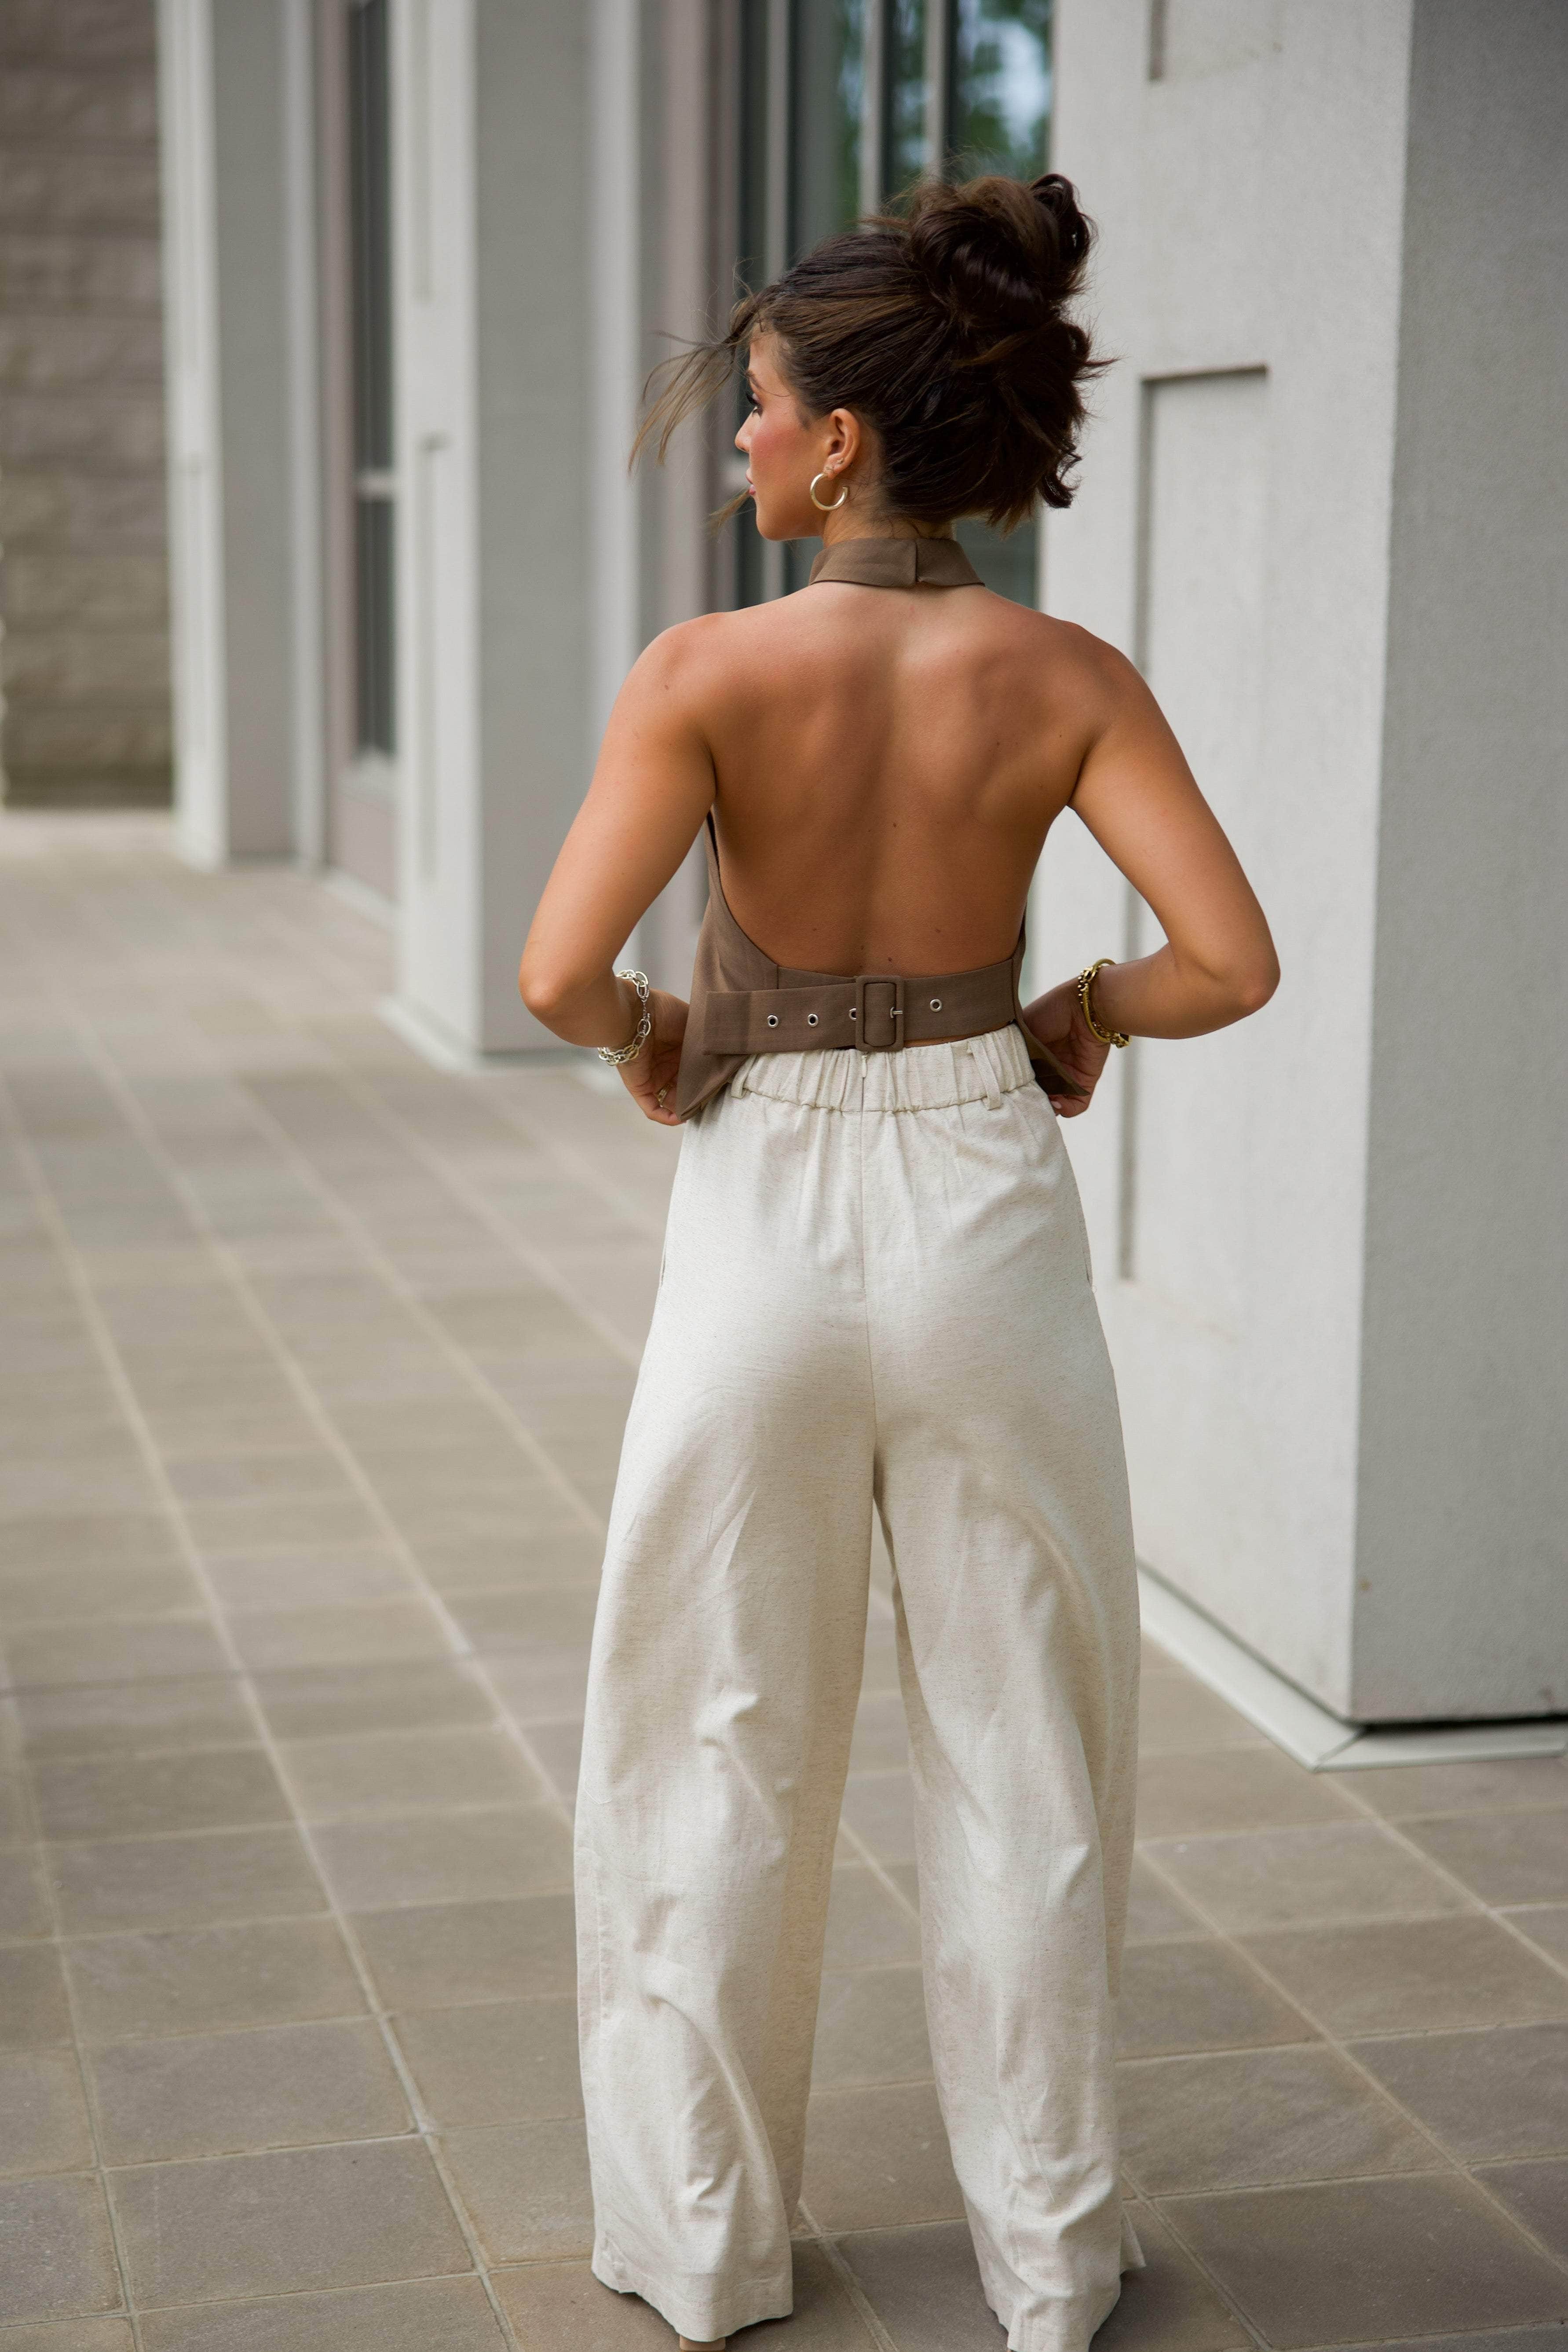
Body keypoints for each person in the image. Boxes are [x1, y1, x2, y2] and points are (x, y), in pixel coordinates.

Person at [519, 172, 1278, 2352]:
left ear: (840, 438)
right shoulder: (1065, 675)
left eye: (761, 406)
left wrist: (656, 1034)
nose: (746, 440)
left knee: (707, 1735)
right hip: (980, 1203)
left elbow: (559, 972)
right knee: (1025, 1744)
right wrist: (1084, 1009)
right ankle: (1049, 2260)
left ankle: (700, 2249)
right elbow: (1227, 960)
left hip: (760, 1210)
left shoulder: (704, 672)